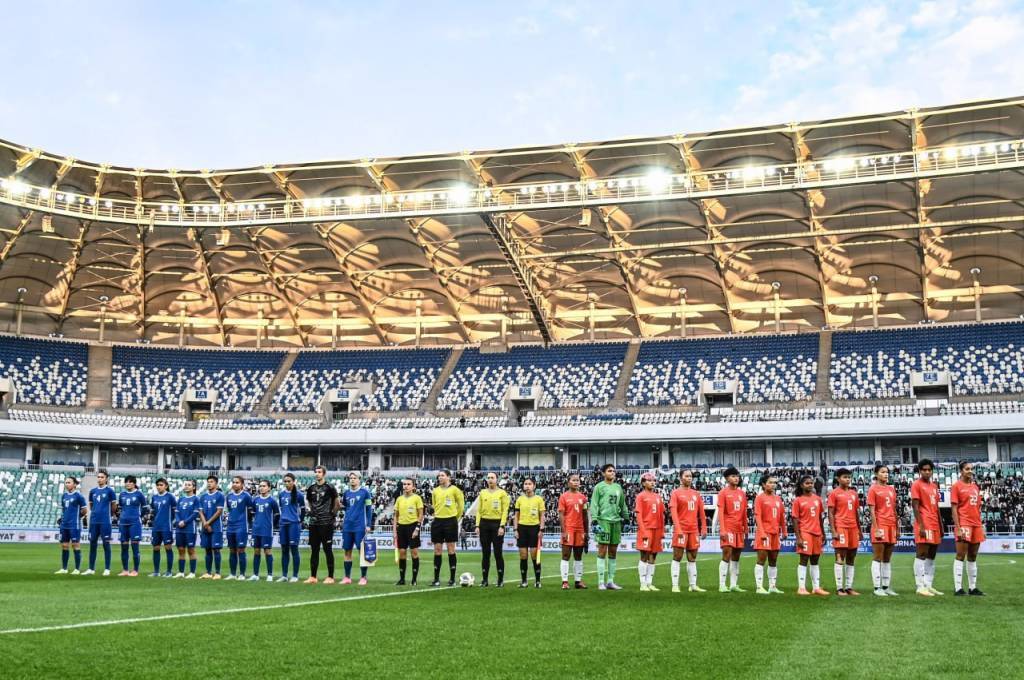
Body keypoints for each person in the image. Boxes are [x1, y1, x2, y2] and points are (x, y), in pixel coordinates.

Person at [591, 464, 629, 591]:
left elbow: (622, 504)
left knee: (613, 552)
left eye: (613, 471)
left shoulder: (618, 487)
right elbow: (594, 504)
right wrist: (594, 520)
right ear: (603, 473)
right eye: (609, 471)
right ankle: (601, 582)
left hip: (616, 522)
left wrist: (627, 519)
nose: (612, 473)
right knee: (602, 551)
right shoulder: (599, 487)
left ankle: (610, 581)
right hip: (603, 521)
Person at [951, 460, 985, 596]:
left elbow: (978, 508)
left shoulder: (975, 487)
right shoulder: (956, 486)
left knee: (973, 556)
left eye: (971, 469)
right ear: (961, 471)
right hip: (964, 524)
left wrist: (981, 526)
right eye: (967, 469)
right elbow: (954, 509)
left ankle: (972, 587)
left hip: (976, 525)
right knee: (961, 555)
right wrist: (958, 527)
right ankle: (958, 588)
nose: (970, 471)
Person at [669, 469, 706, 593]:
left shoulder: (696, 494)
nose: (689, 478)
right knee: (677, 556)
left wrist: (704, 528)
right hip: (681, 529)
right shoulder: (676, 493)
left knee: (692, 557)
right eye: (686, 476)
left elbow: (701, 513)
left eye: (690, 476)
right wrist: (678, 529)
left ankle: (693, 585)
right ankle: (675, 585)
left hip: (693, 530)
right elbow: (673, 512)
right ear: (681, 478)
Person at [911, 459, 943, 597]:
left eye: (929, 470)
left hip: (934, 523)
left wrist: (941, 525)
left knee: (932, 555)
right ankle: (920, 586)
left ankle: (928, 585)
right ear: (920, 471)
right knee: (921, 554)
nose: (927, 472)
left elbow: (936, 507)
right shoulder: (916, 485)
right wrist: (921, 525)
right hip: (924, 523)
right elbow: (915, 506)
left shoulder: (934, 486)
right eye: (924, 470)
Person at [791, 475, 828, 596]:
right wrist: (798, 537)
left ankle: (816, 587)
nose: (810, 485)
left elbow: (820, 518)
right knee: (804, 559)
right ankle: (801, 587)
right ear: (802, 486)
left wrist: (823, 533)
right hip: (805, 532)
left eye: (811, 483)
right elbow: (795, 519)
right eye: (807, 483)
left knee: (815, 560)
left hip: (817, 532)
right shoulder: (798, 500)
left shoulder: (817, 499)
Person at [827, 468, 861, 596]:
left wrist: (859, 530)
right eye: (845, 477)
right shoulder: (834, 493)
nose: (847, 479)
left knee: (851, 557)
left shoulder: (854, 493)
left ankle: (849, 587)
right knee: (840, 556)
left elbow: (856, 513)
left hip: (853, 528)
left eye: (849, 477)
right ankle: (839, 588)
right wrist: (833, 530)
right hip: (841, 527)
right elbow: (830, 513)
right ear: (838, 478)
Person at [866, 464, 899, 596]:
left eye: (887, 472)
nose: (886, 474)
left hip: (891, 525)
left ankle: (885, 587)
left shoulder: (891, 489)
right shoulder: (873, 489)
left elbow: (894, 509)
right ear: (876, 474)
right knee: (878, 557)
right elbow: (872, 511)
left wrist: (897, 527)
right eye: (883, 472)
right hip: (880, 525)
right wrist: (876, 528)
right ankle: (876, 588)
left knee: (887, 558)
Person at [304, 465, 340, 585]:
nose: (317, 474)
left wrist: (332, 514)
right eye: (316, 472)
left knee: (327, 549)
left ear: (324, 474)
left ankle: (330, 576)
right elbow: (309, 501)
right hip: (314, 523)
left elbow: (337, 502)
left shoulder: (330, 487)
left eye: (319, 472)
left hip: (326, 523)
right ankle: (313, 576)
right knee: (314, 550)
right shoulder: (311, 488)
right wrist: (312, 511)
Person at [430, 469, 465, 587]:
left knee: (451, 549)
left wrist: (455, 517)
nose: (440, 477)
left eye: (442, 475)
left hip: (450, 521)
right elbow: (434, 505)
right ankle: (436, 579)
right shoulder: (435, 490)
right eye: (439, 476)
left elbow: (461, 506)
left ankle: (452, 579)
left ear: (448, 477)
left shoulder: (455, 490)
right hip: (438, 521)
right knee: (437, 550)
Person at [715, 467, 748, 593]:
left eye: (737, 476)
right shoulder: (723, 493)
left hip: (739, 529)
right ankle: (722, 585)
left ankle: (734, 584)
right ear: (727, 478)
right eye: (733, 476)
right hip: (728, 528)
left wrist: (745, 527)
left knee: (736, 557)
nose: (736, 478)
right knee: (726, 555)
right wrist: (722, 530)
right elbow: (721, 512)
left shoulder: (742, 493)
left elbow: (744, 512)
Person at [475, 471, 510, 587]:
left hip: (497, 524)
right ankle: (485, 580)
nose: (490, 479)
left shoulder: (502, 493)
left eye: (492, 477)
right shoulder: (482, 493)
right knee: (485, 553)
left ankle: (500, 580)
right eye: (488, 477)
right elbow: (479, 510)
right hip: (484, 524)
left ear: (497, 479)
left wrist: (502, 526)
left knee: (498, 553)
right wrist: (477, 525)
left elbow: (505, 511)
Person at [753, 474, 786, 595]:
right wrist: (761, 532)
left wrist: (784, 531)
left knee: (773, 560)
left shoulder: (778, 499)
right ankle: (759, 587)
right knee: (761, 559)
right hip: (765, 532)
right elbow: (758, 516)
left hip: (775, 533)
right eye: (770, 482)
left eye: (774, 483)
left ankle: (772, 586)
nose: (773, 485)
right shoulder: (759, 498)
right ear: (763, 484)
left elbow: (781, 516)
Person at [557, 472, 589, 590]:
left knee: (578, 555)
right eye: (574, 480)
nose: (576, 482)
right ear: (568, 482)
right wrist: (563, 531)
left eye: (577, 480)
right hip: (569, 528)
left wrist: (586, 532)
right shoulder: (563, 497)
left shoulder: (583, 498)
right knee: (566, 555)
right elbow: (561, 515)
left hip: (580, 529)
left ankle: (578, 581)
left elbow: (585, 516)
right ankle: (565, 581)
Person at [341, 471, 374, 586]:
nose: (352, 480)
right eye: (351, 478)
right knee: (347, 551)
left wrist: (368, 524)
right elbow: (345, 507)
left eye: (354, 478)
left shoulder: (365, 492)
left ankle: (363, 577)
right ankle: (347, 577)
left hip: (360, 526)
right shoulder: (346, 493)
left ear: (359, 479)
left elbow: (369, 509)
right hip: (347, 526)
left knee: (362, 552)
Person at [634, 472, 665, 592]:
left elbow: (661, 515)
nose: (652, 482)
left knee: (653, 556)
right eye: (649, 480)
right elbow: (639, 514)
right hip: (646, 529)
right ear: (643, 483)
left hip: (657, 529)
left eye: (653, 480)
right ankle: (642, 584)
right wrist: (643, 530)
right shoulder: (640, 496)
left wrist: (662, 530)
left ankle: (649, 583)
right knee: (644, 556)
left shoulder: (658, 496)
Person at [84, 469, 117, 576]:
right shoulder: (93, 491)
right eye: (98, 477)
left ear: (106, 479)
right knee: (92, 544)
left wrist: (108, 515)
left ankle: (107, 569)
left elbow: (114, 506)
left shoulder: (110, 491)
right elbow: (91, 506)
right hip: (94, 521)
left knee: (106, 544)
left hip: (105, 521)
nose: (100, 479)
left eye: (102, 477)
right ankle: (91, 569)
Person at [514, 478, 545, 588]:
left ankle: (538, 581)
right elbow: (516, 516)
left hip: (534, 528)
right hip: (522, 528)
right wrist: (515, 529)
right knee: (523, 555)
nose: (527, 486)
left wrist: (541, 529)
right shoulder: (519, 499)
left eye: (529, 484)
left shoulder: (539, 499)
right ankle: (524, 581)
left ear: (534, 486)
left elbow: (542, 516)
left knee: (534, 555)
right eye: (525, 484)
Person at [394, 478, 424, 586]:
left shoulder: (417, 498)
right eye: (404, 484)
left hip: (412, 526)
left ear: (413, 486)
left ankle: (414, 580)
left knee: (414, 552)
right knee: (402, 553)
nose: (406, 486)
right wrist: (394, 531)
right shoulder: (399, 499)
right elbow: (395, 516)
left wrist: (417, 528)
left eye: (408, 484)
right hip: (401, 527)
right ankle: (402, 579)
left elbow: (421, 514)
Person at [225, 475, 254, 581]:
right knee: (232, 550)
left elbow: (251, 511)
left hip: (241, 526)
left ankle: (242, 574)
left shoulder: (246, 496)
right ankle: (232, 574)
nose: (235, 484)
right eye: (233, 482)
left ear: (242, 484)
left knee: (241, 550)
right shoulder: (229, 496)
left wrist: (248, 523)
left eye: (237, 482)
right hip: (230, 526)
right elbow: (229, 509)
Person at [56, 476, 86, 575]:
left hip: (74, 525)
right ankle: (64, 568)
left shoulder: (79, 496)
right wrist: (63, 518)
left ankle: (77, 569)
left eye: (69, 482)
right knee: (64, 545)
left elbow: (84, 510)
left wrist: (77, 517)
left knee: (75, 545)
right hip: (64, 525)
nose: (67, 484)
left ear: (75, 484)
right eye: (66, 482)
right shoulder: (64, 496)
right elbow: (64, 509)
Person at [117, 475, 146, 576]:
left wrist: (138, 516)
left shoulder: (139, 494)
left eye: (130, 482)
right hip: (123, 523)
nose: (128, 484)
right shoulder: (122, 494)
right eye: (126, 482)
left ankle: (135, 570)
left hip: (135, 523)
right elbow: (120, 508)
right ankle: (125, 570)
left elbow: (145, 508)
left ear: (134, 483)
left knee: (135, 547)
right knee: (124, 547)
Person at [278, 473, 304, 583]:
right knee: (284, 550)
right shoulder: (281, 494)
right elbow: (281, 508)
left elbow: (303, 510)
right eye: (285, 481)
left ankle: (295, 576)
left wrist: (299, 521)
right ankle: (284, 575)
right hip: (283, 524)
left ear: (294, 481)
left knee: (294, 549)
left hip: (294, 524)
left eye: (289, 481)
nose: (287, 483)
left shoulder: (299, 495)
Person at [198, 475, 225, 580]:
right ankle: (208, 572)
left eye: (212, 482)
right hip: (205, 526)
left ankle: (217, 573)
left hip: (216, 527)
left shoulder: (220, 495)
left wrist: (208, 523)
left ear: (216, 484)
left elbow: (219, 511)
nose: (209, 483)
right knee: (207, 549)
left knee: (216, 549)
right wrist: (205, 524)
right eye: (208, 482)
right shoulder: (203, 496)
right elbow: (200, 511)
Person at [149, 478, 177, 578]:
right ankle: (156, 571)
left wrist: (170, 521)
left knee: (168, 547)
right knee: (156, 548)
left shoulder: (170, 497)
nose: (159, 487)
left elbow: (175, 511)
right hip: (156, 527)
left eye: (161, 485)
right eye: (157, 485)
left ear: (166, 486)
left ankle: (169, 571)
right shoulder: (154, 497)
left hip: (166, 526)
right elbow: (153, 511)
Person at [251, 480, 279, 582]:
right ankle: (255, 574)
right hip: (256, 530)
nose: (261, 488)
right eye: (260, 486)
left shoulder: (272, 501)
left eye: (264, 486)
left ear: (269, 488)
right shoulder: (255, 500)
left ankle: (270, 575)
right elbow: (252, 513)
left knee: (267, 551)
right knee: (256, 551)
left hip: (267, 530)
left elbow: (277, 515)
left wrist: (272, 525)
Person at [173, 480, 200, 579]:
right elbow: (176, 512)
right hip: (179, 528)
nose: (187, 486)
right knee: (180, 549)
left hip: (189, 528)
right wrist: (178, 521)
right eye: (185, 485)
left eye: (189, 485)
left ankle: (192, 572)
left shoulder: (196, 499)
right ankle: (181, 572)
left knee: (191, 550)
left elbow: (195, 513)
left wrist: (184, 522)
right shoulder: (181, 499)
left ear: (193, 487)